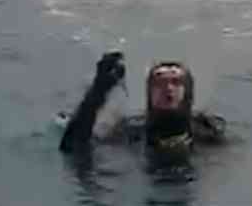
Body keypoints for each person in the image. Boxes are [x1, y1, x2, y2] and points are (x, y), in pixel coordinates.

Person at [57, 52, 226, 161]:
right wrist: (99, 90)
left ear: (188, 92)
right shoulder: (132, 131)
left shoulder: (208, 131)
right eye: (159, 83)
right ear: (149, 92)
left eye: (176, 82)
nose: (168, 88)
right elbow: (72, 148)